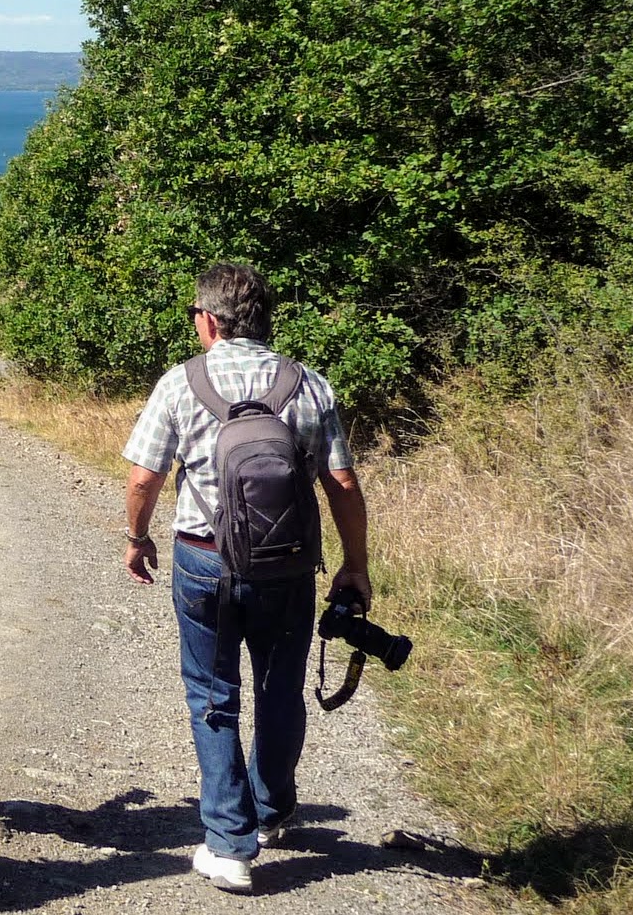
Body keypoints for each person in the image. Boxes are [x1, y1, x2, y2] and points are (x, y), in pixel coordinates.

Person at [121, 262, 370, 895]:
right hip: (287, 567)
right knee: (279, 690)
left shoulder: (181, 383)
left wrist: (137, 537)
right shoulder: (308, 385)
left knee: (212, 695)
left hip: (203, 560)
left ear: (208, 320)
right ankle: (273, 809)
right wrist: (355, 564)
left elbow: (145, 477)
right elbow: (340, 481)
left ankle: (229, 845)